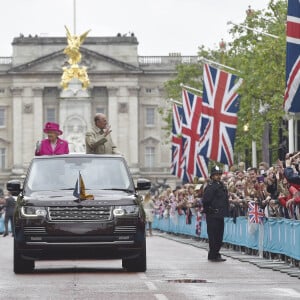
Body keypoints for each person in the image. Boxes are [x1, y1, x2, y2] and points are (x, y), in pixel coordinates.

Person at [202, 165, 229, 262]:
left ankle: (216, 253)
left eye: (219, 174)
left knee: (219, 236)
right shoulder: (210, 187)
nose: (218, 176)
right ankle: (213, 254)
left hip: (220, 214)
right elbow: (206, 201)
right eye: (216, 175)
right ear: (212, 176)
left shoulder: (222, 186)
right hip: (213, 215)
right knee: (213, 236)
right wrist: (209, 210)